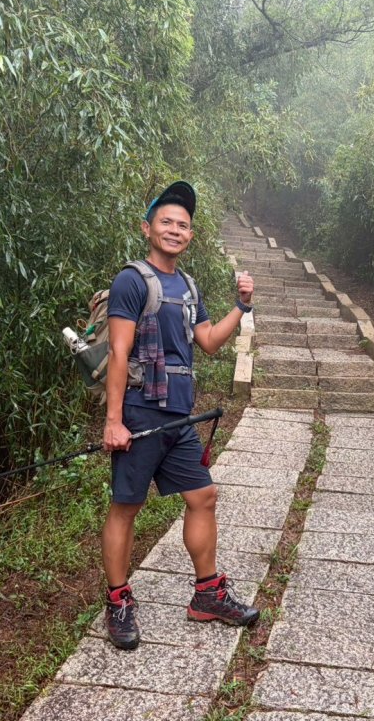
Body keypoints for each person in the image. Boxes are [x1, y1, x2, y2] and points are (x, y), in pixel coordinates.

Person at [100, 180, 258, 650]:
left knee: (203, 495)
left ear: (190, 236)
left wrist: (242, 307)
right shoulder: (131, 280)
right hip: (141, 411)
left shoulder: (187, 285)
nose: (174, 230)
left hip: (179, 417)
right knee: (126, 507)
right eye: (166, 222)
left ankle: (207, 595)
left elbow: (207, 342)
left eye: (183, 225)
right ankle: (118, 601)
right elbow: (118, 350)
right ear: (147, 228)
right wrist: (114, 420)